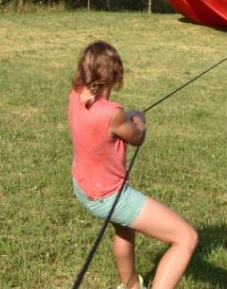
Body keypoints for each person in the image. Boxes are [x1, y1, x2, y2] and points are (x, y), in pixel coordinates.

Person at [69, 41, 198, 289]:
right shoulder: (113, 113)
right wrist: (138, 118)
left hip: (83, 187)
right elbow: (136, 136)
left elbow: (107, 124)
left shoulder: (76, 93)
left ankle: (131, 286)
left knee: (125, 228)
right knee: (186, 237)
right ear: (116, 75)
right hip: (109, 196)